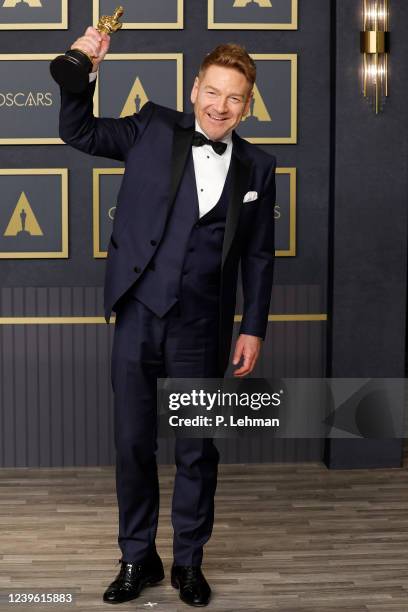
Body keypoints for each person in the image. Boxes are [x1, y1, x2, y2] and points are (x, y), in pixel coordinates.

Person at [58, 27, 276, 608]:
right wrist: (84, 67)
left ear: (247, 105)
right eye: (212, 92)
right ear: (194, 87)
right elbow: (77, 130)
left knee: (197, 448)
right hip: (139, 313)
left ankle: (189, 562)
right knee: (133, 443)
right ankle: (137, 558)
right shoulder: (151, 126)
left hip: (204, 326)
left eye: (234, 98)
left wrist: (252, 325)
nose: (220, 106)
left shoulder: (258, 165)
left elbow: (258, 256)